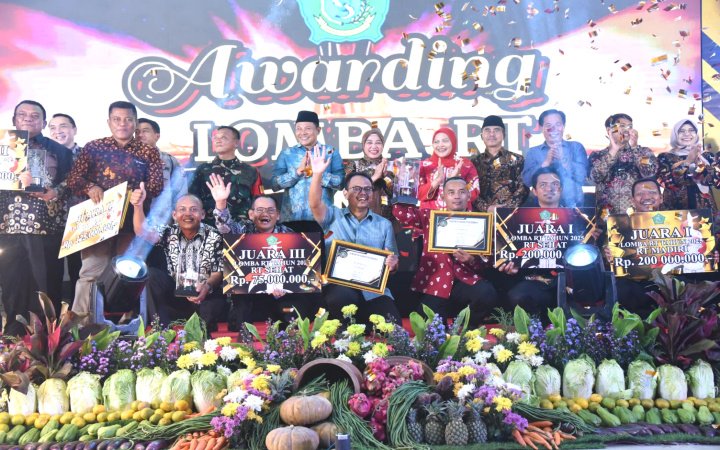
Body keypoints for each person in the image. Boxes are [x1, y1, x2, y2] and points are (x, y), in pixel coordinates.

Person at [67, 100, 163, 322]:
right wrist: (90, 187)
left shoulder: (148, 151)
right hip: (98, 221)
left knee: (129, 273)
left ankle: (127, 323)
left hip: (132, 222)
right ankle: (80, 324)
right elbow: (74, 179)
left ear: (135, 123)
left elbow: (157, 186)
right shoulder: (93, 147)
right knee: (91, 272)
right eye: (117, 119)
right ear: (109, 122)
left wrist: (142, 193)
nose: (122, 124)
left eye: (128, 119)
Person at [206, 174, 320, 328]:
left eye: (270, 210)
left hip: (280, 295)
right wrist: (221, 203)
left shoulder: (290, 235)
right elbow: (224, 228)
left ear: (278, 215)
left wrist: (286, 284)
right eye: (259, 210)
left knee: (292, 313)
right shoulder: (243, 230)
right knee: (240, 304)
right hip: (250, 294)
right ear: (251, 214)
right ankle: (243, 334)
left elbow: (301, 269)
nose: (265, 214)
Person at [0, 100, 72, 334]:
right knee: (11, 284)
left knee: (47, 284)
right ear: (14, 120)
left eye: (34, 115)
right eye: (22, 115)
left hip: (45, 227)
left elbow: (72, 182)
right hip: (7, 226)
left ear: (43, 122)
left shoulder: (59, 150)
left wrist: (55, 192)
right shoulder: (2, 147)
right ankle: (13, 336)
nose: (28, 119)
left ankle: (48, 339)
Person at [308, 147, 401, 324]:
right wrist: (317, 174)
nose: (363, 193)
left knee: (394, 325)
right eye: (356, 189)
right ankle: (345, 330)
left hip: (373, 290)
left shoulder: (384, 225)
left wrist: (393, 263)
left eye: (367, 189)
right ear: (345, 193)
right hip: (340, 287)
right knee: (341, 299)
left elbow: (393, 262)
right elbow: (314, 204)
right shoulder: (332, 216)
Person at [394, 177, 498, 326]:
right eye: (451, 192)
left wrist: (471, 260)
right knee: (431, 327)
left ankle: (464, 327)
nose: (457, 196)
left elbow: (486, 263)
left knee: (486, 293)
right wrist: (411, 189)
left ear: (469, 196)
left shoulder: (480, 222)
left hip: (465, 279)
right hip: (435, 283)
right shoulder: (430, 216)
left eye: (462, 192)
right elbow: (401, 213)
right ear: (443, 197)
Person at [131, 185, 226, 329]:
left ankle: (202, 329)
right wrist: (138, 206)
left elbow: (217, 273)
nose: (187, 214)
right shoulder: (169, 233)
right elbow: (142, 232)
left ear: (202, 214)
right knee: (151, 275)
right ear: (174, 215)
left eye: (193, 209)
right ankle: (161, 330)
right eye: (182, 209)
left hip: (203, 293)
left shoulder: (213, 235)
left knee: (211, 310)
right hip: (175, 294)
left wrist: (206, 286)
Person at [498, 168, 566, 318]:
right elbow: (513, 254)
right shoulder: (518, 219)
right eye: (543, 185)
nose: (549, 188)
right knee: (518, 296)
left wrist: (589, 240)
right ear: (534, 191)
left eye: (555, 184)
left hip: (568, 280)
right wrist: (512, 266)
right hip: (536, 281)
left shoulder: (576, 217)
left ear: (561, 189)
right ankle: (536, 329)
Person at [271, 110, 343, 221]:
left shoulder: (330, 152)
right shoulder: (287, 153)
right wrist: (297, 173)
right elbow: (274, 185)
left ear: (318, 130)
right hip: (292, 219)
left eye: (308, 128)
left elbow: (341, 183)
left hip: (322, 219)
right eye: (299, 129)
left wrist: (318, 173)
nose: (303, 133)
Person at [188, 126, 262, 226]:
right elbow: (192, 200)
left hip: (241, 228)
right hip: (209, 228)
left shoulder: (250, 171)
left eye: (223, 137)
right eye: (215, 138)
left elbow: (259, 202)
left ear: (236, 143)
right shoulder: (203, 170)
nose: (218, 141)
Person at [589, 113, 658, 214]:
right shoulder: (597, 155)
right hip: (607, 214)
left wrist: (634, 147)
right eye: (622, 126)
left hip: (637, 213)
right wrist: (614, 149)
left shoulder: (643, 152)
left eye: (630, 126)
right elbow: (595, 177)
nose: (626, 130)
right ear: (609, 130)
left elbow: (649, 173)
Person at [48, 113, 83, 304]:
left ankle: (80, 315)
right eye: (52, 127)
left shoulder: (87, 155)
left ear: (74, 130)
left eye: (63, 126)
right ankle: (52, 318)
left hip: (82, 223)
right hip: (50, 223)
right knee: (51, 273)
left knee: (81, 272)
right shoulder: (44, 155)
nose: (58, 131)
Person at [522, 109, 588, 207]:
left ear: (563, 126)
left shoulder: (576, 147)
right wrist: (544, 163)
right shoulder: (533, 152)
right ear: (541, 128)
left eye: (558, 124)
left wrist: (564, 160)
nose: (553, 129)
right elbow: (526, 182)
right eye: (548, 125)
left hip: (573, 205)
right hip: (542, 207)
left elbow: (582, 178)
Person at [658, 119, 720, 212]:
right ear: (675, 134)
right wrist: (688, 162)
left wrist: (702, 163)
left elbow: (717, 182)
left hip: (705, 210)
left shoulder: (707, 156)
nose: (687, 134)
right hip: (675, 211)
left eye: (691, 130)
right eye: (681, 131)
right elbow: (667, 182)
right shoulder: (665, 157)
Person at [470, 115, 528, 212]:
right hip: (481, 215)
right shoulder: (474, 162)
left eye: (496, 130)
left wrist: (505, 209)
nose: (492, 134)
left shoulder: (517, 160)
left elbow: (524, 188)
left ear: (504, 135)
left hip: (510, 214)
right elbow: (470, 189)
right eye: (487, 130)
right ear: (481, 135)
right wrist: (487, 208)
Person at [418, 127, 479, 210]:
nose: (440, 145)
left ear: (453, 142)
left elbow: (474, 191)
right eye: (436, 142)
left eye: (445, 141)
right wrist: (437, 181)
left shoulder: (464, 164)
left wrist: (455, 181)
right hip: (429, 214)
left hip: (458, 214)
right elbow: (418, 194)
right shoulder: (424, 165)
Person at [343, 128, 395, 222]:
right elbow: (350, 192)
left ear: (383, 146)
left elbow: (394, 195)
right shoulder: (354, 165)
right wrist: (375, 176)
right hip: (359, 219)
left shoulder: (391, 166)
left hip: (386, 220)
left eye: (378, 143)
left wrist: (387, 177)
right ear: (363, 145)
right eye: (369, 142)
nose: (374, 146)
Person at [136, 118, 187, 211]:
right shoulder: (126, 161)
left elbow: (181, 193)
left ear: (157, 136)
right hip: (134, 216)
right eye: (137, 132)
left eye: (145, 131)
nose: (140, 135)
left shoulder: (171, 161)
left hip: (161, 216)